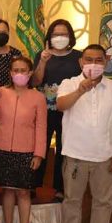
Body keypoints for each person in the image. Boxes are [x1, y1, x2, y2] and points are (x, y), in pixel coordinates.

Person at [55, 45, 112, 223]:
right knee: (72, 200)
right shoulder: (69, 83)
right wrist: (81, 90)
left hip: (106, 157)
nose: (93, 64)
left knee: (103, 202)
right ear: (81, 62)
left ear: (106, 62)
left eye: (98, 60)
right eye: (88, 59)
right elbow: (61, 105)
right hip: (75, 156)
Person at [0, 56, 46, 223]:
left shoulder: (38, 97)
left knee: (23, 192)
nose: (19, 73)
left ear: (30, 73)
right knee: (8, 191)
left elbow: (41, 128)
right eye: (16, 70)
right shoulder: (0, 92)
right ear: (11, 73)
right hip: (1, 149)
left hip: (27, 151)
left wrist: (39, 154)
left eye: (23, 70)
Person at [31, 19, 82, 198]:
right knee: (40, 147)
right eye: (55, 34)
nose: (59, 37)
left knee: (64, 148)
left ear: (70, 36)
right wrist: (43, 61)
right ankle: (34, 185)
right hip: (44, 110)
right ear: (49, 37)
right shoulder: (41, 54)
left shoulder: (78, 57)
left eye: (63, 34)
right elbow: (35, 82)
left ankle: (60, 189)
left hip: (69, 110)